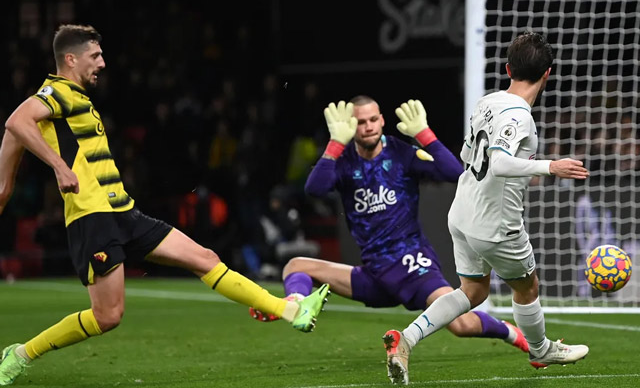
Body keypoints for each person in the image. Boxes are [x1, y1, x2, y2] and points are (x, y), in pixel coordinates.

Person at [0, 24, 330, 386]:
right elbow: (16, 120)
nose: (103, 63)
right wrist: (59, 166)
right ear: (70, 58)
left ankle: (292, 310)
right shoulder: (57, 92)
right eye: (95, 56)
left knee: (205, 258)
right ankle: (19, 355)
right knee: (107, 316)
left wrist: (5, 187)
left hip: (123, 212)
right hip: (93, 218)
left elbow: (13, 137)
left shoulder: (74, 100)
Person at [249, 95, 530, 367]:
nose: (368, 126)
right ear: (349, 126)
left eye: (373, 119)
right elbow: (314, 189)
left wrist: (424, 134)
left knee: (461, 324)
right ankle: (296, 304)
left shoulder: (401, 153)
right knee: (295, 266)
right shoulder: (344, 160)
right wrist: (335, 144)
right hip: (374, 274)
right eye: (361, 122)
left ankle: (512, 333)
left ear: (382, 120)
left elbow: (454, 172)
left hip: (412, 266)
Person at [383, 32, 590, 384]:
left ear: (508, 68)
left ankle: (407, 338)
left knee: (473, 291)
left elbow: (470, 156)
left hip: (463, 211)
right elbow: (499, 164)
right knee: (528, 288)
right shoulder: (520, 115)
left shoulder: (487, 102)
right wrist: (549, 166)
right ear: (548, 74)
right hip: (496, 224)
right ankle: (540, 350)